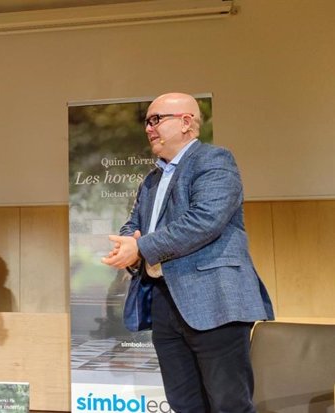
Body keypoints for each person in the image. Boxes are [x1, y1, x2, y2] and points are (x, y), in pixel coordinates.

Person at [102, 93, 274, 412]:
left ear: (186, 123)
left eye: (156, 120)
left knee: (229, 404)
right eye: (147, 122)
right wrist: (129, 243)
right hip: (165, 302)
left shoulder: (214, 160)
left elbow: (205, 221)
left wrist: (140, 247)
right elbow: (134, 224)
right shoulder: (152, 180)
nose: (148, 128)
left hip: (215, 302)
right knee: (184, 403)